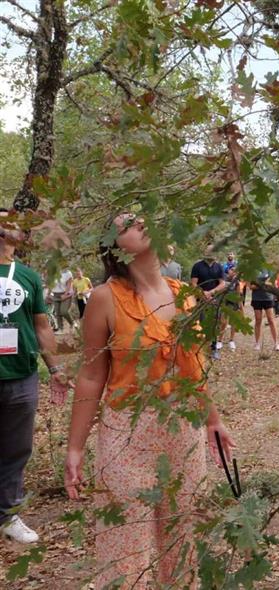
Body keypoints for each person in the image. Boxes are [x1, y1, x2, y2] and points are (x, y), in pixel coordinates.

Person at [64, 213, 234, 587]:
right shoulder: (105, 299)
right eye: (125, 223)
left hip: (184, 435)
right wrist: (75, 448)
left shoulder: (185, 296)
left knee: (186, 541)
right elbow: (92, 375)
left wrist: (212, 420)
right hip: (127, 438)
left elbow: (194, 368)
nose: (140, 222)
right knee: (126, 550)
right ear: (113, 248)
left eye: (141, 217)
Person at [0, 210, 69, 544]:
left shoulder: (27, 276)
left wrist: (55, 369)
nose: (10, 227)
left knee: (17, 448)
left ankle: (8, 516)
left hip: (21, 374)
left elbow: (42, 325)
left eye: (13, 222)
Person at [190, 246, 225, 360]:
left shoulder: (218, 266)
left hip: (215, 299)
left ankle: (214, 348)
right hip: (200, 300)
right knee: (201, 323)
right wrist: (202, 294)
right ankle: (201, 349)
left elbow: (222, 283)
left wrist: (212, 292)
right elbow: (193, 283)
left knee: (215, 322)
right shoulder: (197, 266)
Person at [250, 270, 279, 352]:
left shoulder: (268, 269)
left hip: (268, 298)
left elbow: (271, 283)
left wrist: (258, 284)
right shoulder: (253, 269)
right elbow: (251, 286)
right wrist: (263, 284)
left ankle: (276, 343)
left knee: (271, 320)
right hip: (256, 299)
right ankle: (257, 343)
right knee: (258, 320)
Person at [50, 267, 77, 332]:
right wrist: (49, 293)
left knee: (64, 311)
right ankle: (60, 329)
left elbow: (69, 285)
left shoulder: (67, 273)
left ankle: (72, 323)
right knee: (57, 313)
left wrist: (65, 295)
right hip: (55, 294)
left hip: (66, 294)